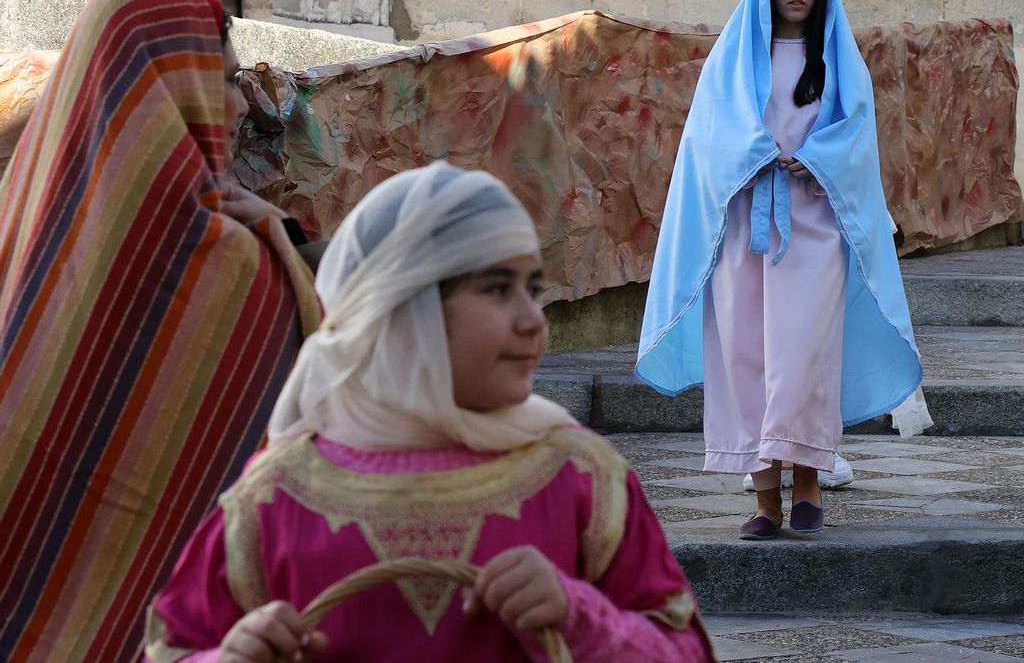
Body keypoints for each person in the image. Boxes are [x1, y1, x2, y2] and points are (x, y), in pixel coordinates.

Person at [143, 162, 716, 660]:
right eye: (496, 289)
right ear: (404, 310)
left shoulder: (581, 478)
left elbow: (685, 650)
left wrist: (580, 616)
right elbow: (173, 649)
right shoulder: (275, 497)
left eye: (532, 289)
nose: (531, 319)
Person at [0, 0, 323, 662]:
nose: (243, 105)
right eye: (227, 79)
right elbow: (336, 414)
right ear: (168, 89)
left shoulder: (18, 229)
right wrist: (283, 241)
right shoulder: (233, 273)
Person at [637, 0, 921, 540]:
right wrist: (756, 153)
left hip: (815, 226)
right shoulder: (737, 55)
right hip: (744, 226)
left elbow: (856, 130)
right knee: (746, 355)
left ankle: (811, 482)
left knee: (804, 357)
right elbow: (709, 135)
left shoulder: (838, 56)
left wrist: (816, 156)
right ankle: (765, 499)